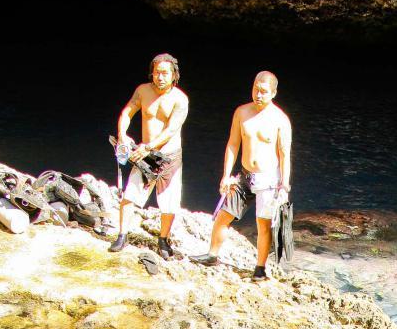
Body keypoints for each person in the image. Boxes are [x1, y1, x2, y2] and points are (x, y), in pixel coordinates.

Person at [196, 70, 292, 280]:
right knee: (223, 215)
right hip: (245, 175)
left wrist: (284, 185)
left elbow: (285, 154)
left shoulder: (280, 120)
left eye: (264, 92)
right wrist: (225, 175)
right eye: (256, 90)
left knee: (263, 224)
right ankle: (212, 254)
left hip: (268, 179)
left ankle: (260, 268)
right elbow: (233, 144)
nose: (258, 95)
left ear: (274, 93)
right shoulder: (241, 112)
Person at [110, 53, 189, 257]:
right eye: (157, 73)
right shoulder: (143, 91)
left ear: (174, 75)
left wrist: (148, 147)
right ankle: (122, 235)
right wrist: (122, 135)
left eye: (165, 73)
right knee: (130, 195)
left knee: (169, 203)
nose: (160, 77)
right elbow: (127, 112)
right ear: (151, 73)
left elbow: (171, 130)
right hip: (145, 155)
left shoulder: (180, 99)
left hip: (168, 157)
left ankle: (163, 240)